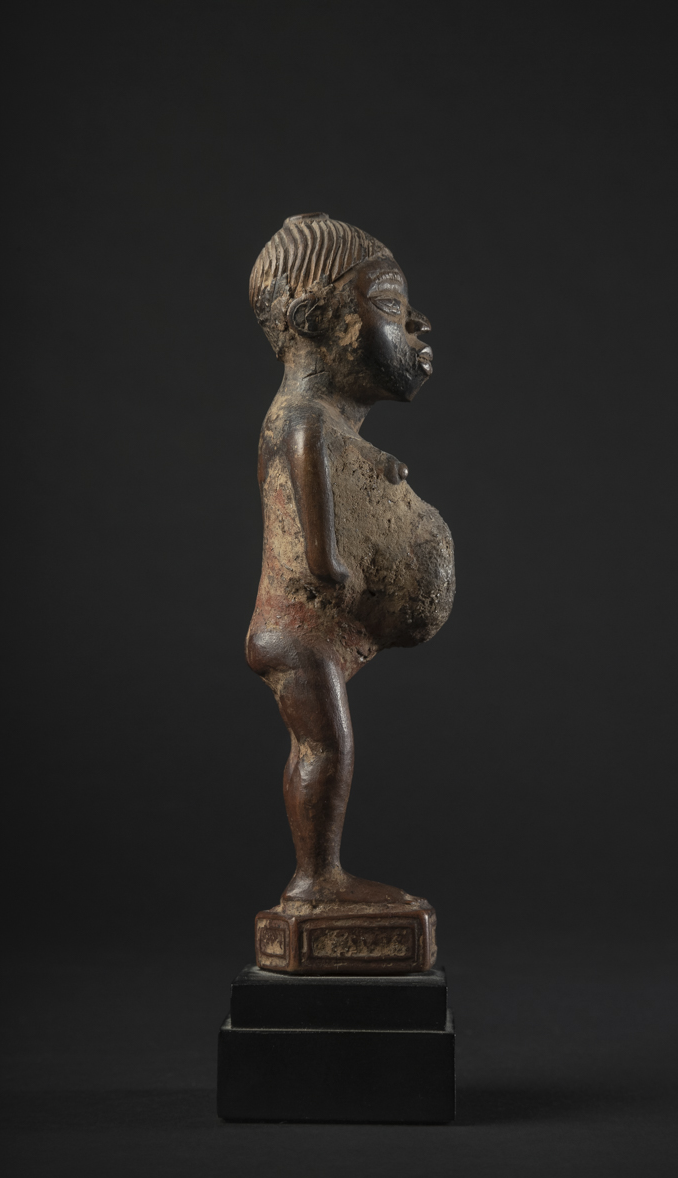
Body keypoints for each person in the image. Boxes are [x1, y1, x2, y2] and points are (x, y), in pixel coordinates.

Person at [246, 213, 455, 909]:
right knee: (325, 749)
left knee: (326, 746)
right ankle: (315, 877)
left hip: (324, 635)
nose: (418, 324)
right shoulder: (303, 420)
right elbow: (314, 530)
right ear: (314, 321)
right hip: (301, 635)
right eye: (390, 305)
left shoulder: (325, 423)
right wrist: (331, 565)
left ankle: (320, 874)